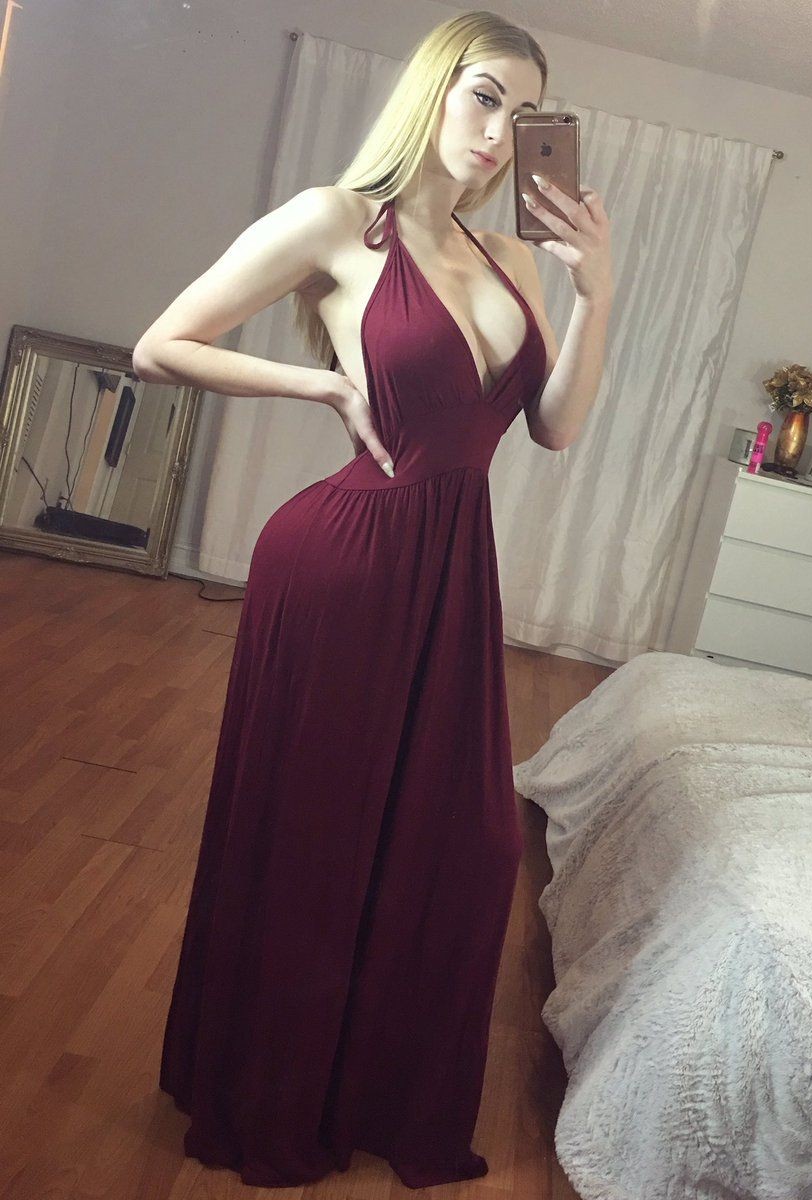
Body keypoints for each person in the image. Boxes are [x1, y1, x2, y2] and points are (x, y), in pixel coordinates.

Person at [133, 9, 612, 1191]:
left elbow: (552, 429)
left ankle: (364, 1087)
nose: (498, 130)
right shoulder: (337, 221)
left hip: (453, 577)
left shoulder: (510, 262)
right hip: (342, 565)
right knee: (315, 840)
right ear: (433, 90)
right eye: (483, 95)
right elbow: (162, 344)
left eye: (523, 112)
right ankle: (270, 1090)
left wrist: (597, 294)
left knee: (467, 846)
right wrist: (318, 386)